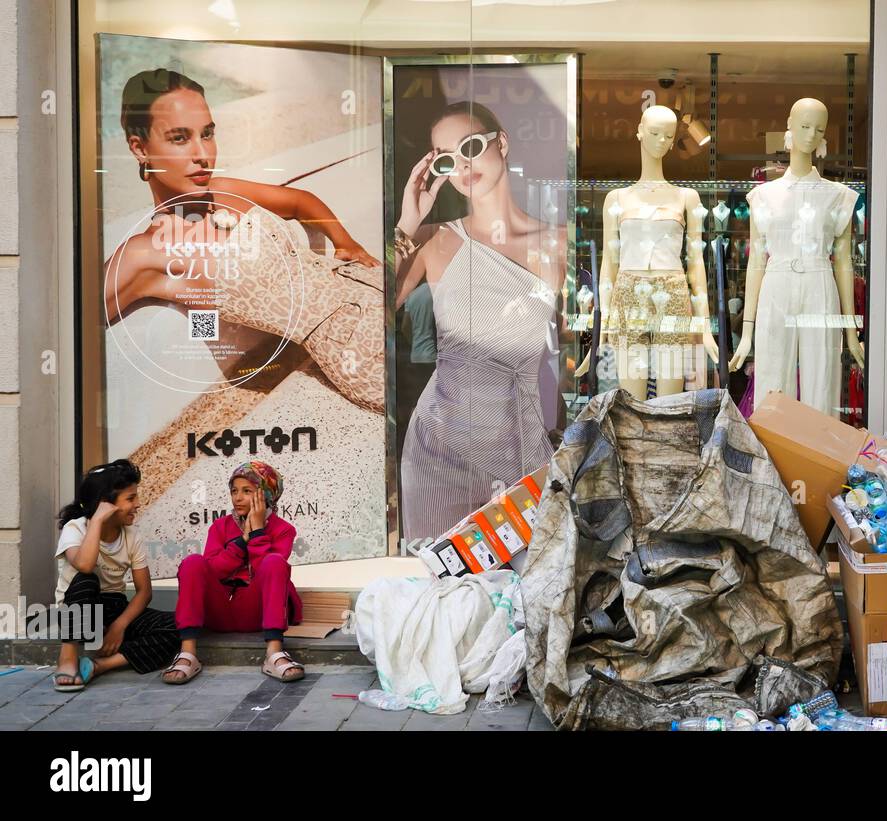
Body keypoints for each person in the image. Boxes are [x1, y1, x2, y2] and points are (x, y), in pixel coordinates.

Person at [104, 68, 384, 412]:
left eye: (207, 134)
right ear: (139, 148)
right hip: (359, 346)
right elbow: (71, 323)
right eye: (179, 138)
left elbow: (300, 201)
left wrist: (346, 243)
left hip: (372, 286)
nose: (202, 154)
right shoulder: (146, 253)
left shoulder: (222, 190)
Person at [394, 102, 566, 539]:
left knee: (525, 585)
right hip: (438, 447)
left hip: (520, 445)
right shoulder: (434, 240)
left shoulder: (558, 243)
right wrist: (406, 225)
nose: (463, 165)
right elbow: (369, 314)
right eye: (447, 159)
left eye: (471, 146)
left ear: (502, 143)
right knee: (441, 585)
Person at [164, 462, 305, 684]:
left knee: (275, 562)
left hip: (256, 612)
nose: (237, 498)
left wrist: (257, 532)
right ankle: (188, 653)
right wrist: (241, 542)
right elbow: (215, 571)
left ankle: (275, 653)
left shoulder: (283, 529)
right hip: (219, 612)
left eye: (247, 491)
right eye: (234, 491)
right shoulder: (220, 527)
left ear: (266, 496)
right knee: (193, 562)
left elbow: (267, 572)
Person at [52, 460, 179, 691]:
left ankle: (99, 665)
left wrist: (119, 626)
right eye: (130, 499)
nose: (138, 504)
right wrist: (97, 521)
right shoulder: (76, 528)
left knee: (179, 624)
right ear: (105, 503)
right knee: (86, 579)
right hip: (79, 607)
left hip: (114, 608)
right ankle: (68, 658)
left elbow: (144, 592)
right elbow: (85, 565)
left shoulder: (131, 536)